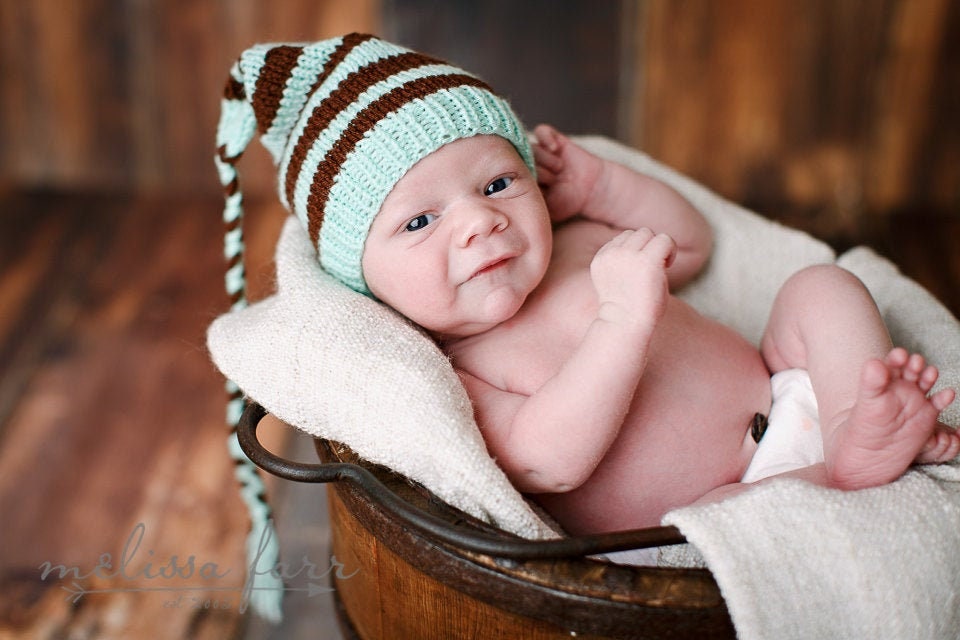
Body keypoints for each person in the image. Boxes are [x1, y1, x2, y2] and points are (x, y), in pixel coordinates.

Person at [218, 34, 959, 535]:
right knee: (723, 535)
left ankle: (862, 413)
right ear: (363, 282)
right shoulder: (453, 372)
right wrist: (622, 321)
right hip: (706, 510)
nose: (479, 221)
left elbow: (692, 242)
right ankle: (849, 474)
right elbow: (548, 459)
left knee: (822, 286)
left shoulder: (575, 243)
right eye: (419, 222)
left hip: (792, 392)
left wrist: (603, 187)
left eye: (500, 181)